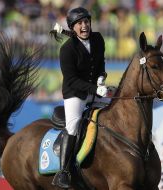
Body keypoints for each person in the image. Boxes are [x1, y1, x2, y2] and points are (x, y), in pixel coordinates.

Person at [50, 7, 110, 189]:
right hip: (74, 94)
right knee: (73, 126)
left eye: (86, 21)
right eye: (79, 23)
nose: (84, 26)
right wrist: (95, 89)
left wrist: (101, 76)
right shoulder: (66, 49)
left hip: (94, 91)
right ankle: (64, 172)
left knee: (113, 112)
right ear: (73, 27)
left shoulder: (98, 39)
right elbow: (72, 80)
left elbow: (100, 62)